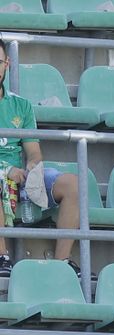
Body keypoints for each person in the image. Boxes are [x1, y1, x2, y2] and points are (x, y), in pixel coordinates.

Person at [0, 51, 83, 274]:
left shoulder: (21, 105)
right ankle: (1, 257)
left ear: (6, 64)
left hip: (18, 175)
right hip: (4, 176)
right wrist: (6, 170)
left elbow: (33, 152)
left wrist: (32, 168)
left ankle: (62, 263)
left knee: (73, 184)